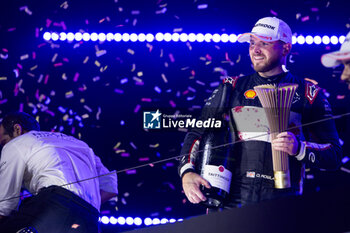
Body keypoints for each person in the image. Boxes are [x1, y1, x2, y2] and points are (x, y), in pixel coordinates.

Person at [178, 17, 342, 209]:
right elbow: (198, 132)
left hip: (283, 208)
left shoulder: (309, 93)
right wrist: (187, 172)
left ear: (286, 48)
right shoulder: (231, 87)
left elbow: (334, 155)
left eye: (264, 43)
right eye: (252, 43)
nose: (255, 50)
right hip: (230, 205)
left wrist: (299, 148)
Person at [0, 112, 118, 233]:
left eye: (4, 142)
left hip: (54, 205)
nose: (4, 146)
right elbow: (111, 188)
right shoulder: (79, 143)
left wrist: (64, 204)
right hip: (91, 219)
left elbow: (5, 206)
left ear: (17, 129)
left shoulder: (16, 143)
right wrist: (79, 206)